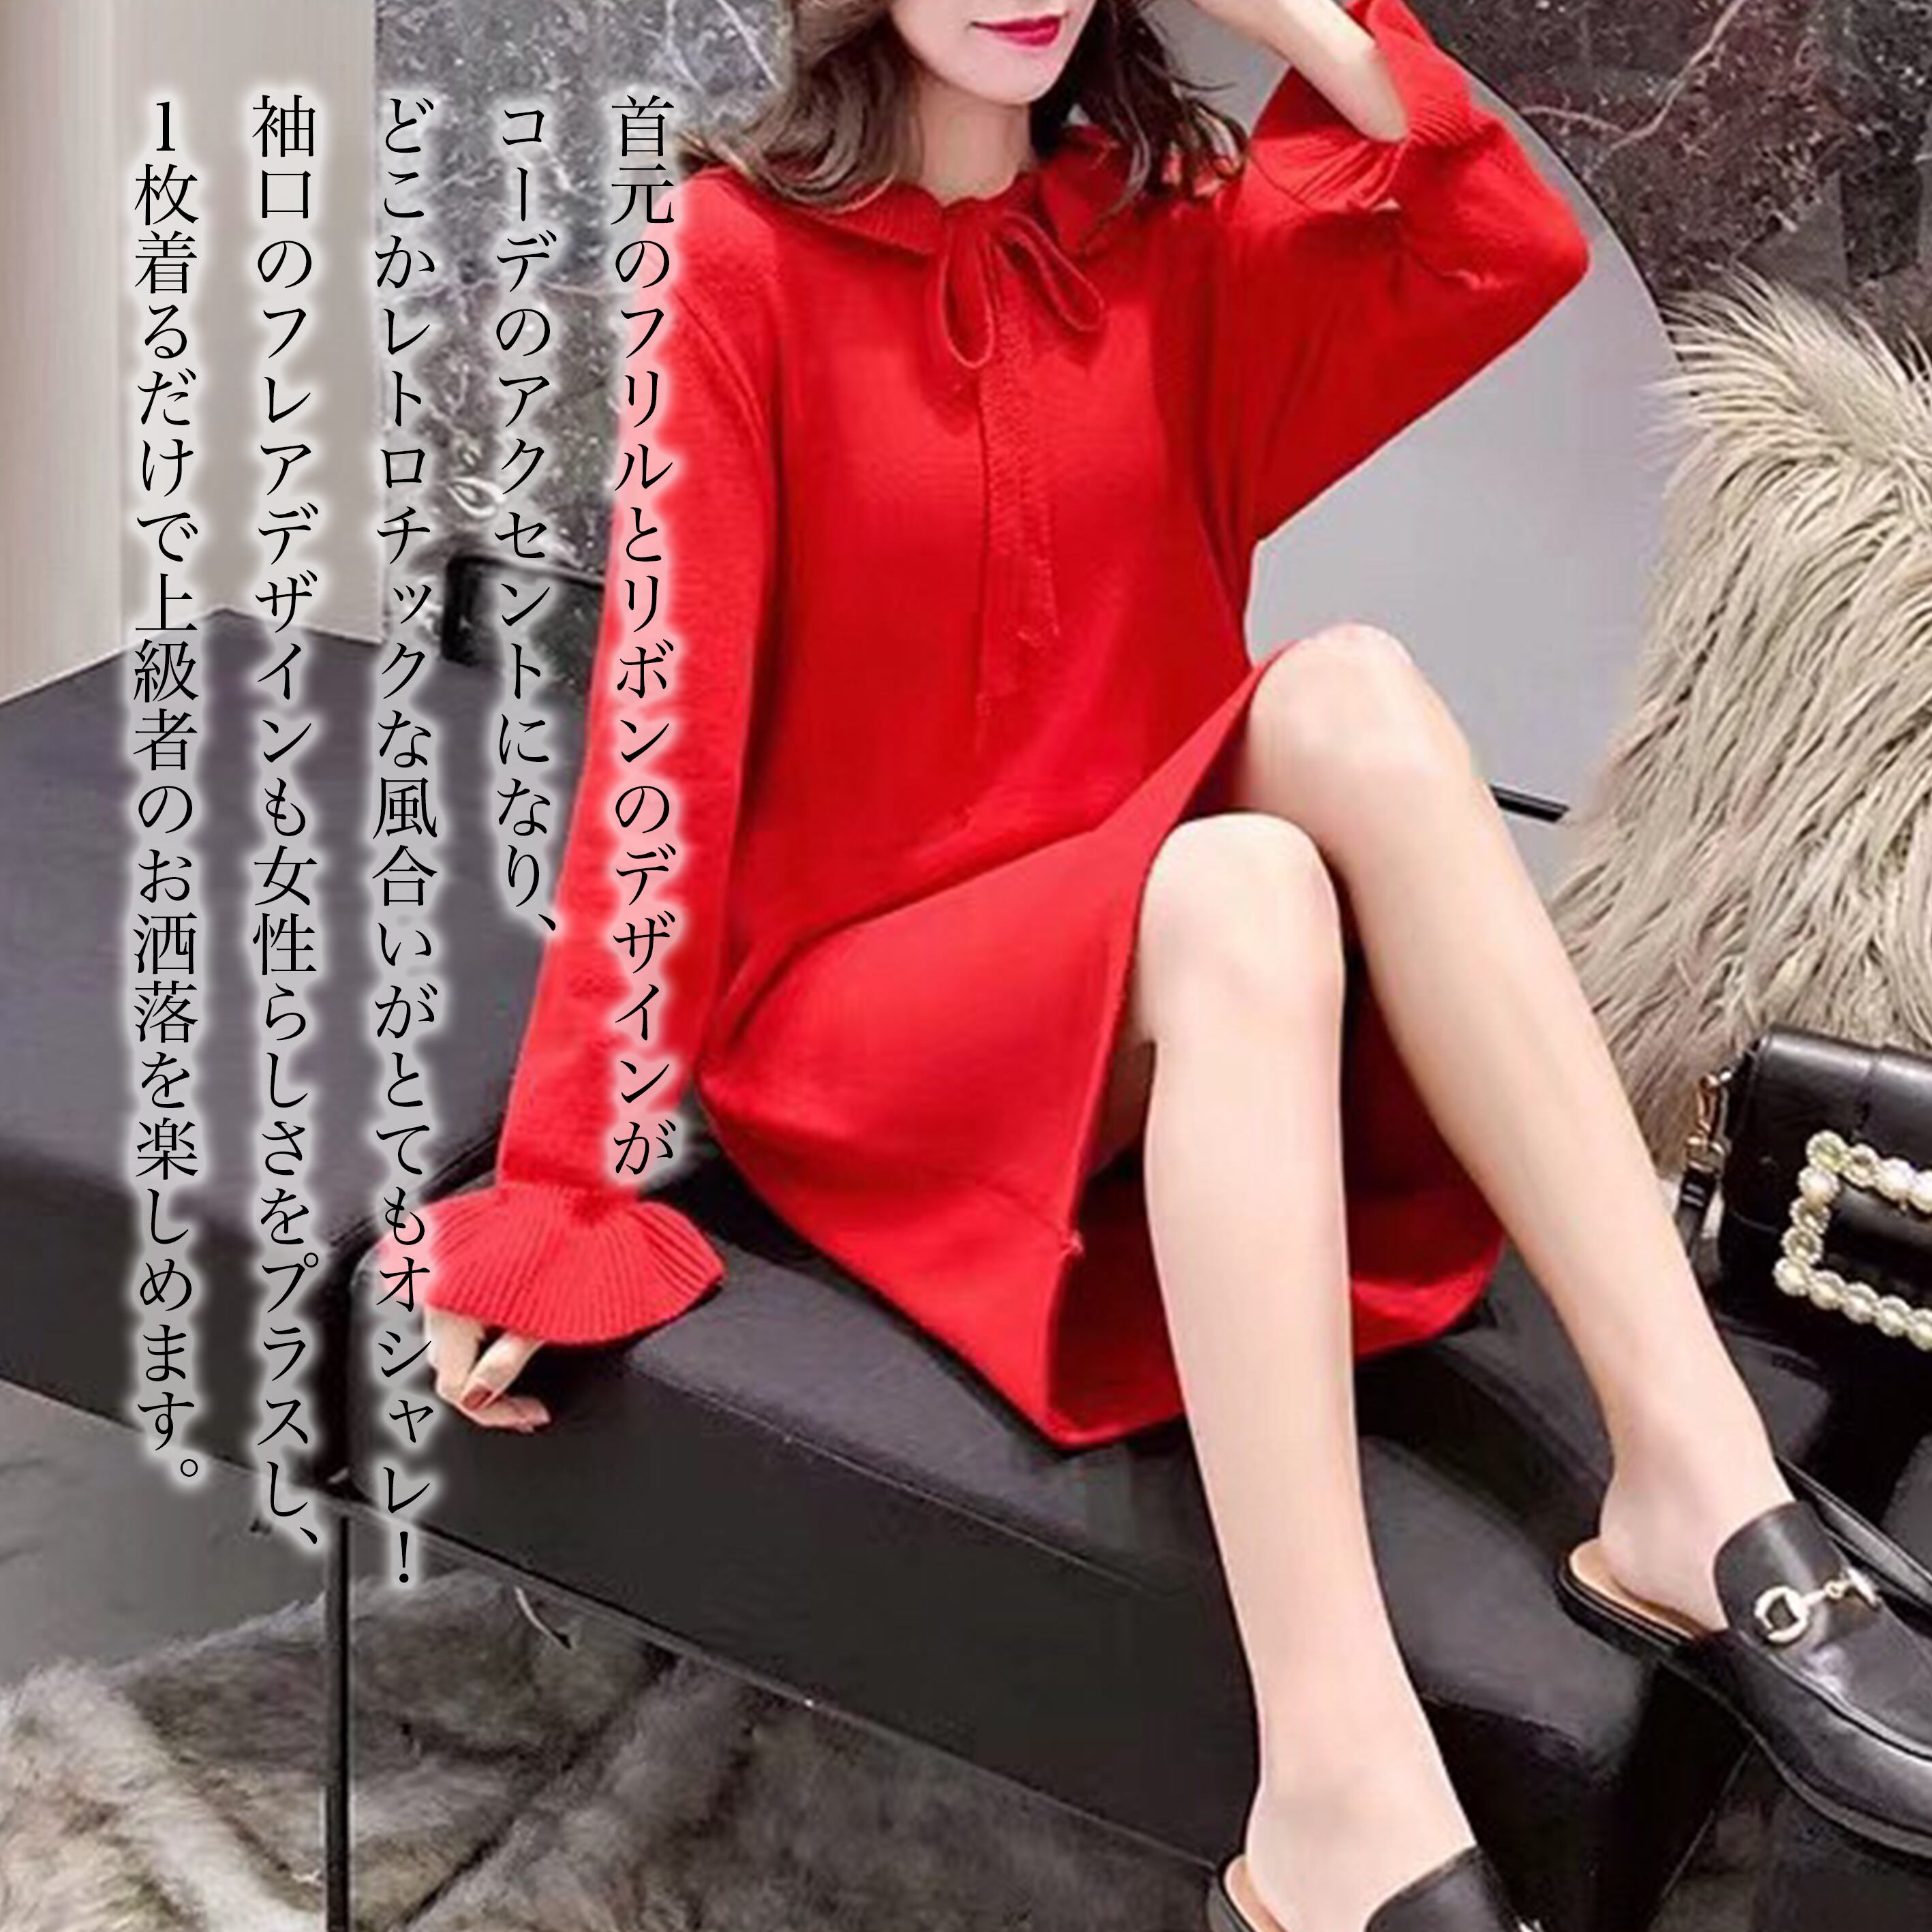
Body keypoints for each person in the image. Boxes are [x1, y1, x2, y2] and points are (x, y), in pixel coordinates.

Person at [377, 1, 1932, 1928]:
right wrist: (558, 1187)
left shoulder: (1163, 226)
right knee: (1247, 887)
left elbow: (1490, 237)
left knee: (1351, 698)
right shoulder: (738, 262)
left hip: (1138, 942)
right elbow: (657, 746)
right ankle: (1337, 1785)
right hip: (869, 1011)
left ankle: (1692, 1477)